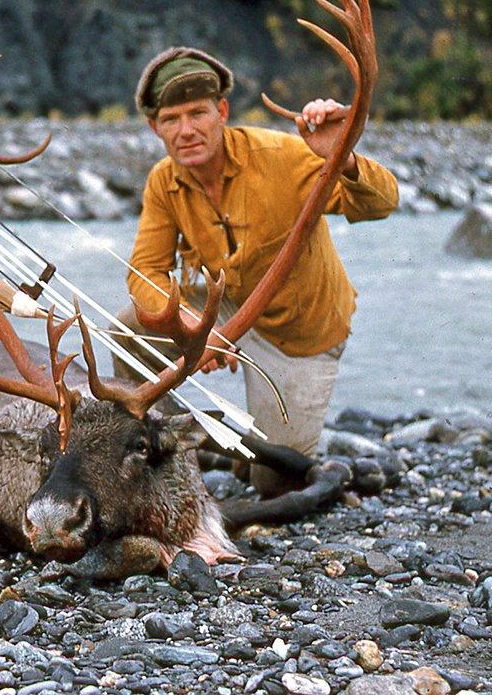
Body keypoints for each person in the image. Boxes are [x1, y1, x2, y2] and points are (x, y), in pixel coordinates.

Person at [116, 46, 399, 456]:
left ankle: (250, 448)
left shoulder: (280, 157)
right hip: (229, 311)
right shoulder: (163, 181)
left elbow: (381, 203)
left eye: (197, 113)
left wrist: (345, 158)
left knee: (275, 477)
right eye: (171, 120)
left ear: (223, 112)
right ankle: (169, 447)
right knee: (130, 327)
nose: (186, 130)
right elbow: (145, 272)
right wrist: (193, 327)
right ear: (154, 128)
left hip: (298, 334)